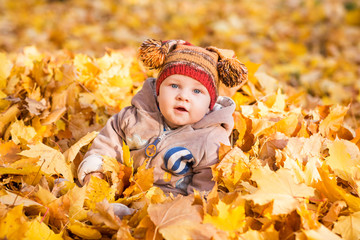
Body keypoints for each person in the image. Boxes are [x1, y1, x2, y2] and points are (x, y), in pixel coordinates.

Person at [77, 38, 248, 196]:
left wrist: (184, 210)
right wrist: (96, 169)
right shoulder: (135, 116)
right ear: (158, 92)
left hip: (169, 204)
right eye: (174, 85)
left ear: (210, 103)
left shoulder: (211, 140)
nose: (183, 96)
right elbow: (108, 142)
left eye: (197, 91)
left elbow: (205, 189)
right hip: (123, 190)